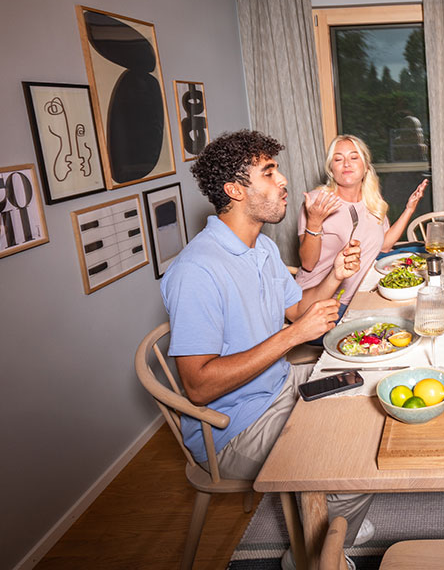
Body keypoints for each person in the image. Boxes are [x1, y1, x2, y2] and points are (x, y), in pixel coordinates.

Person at [160, 130, 373, 568]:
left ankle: (335, 524)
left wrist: (334, 275)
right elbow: (198, 388)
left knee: (369, 401)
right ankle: (311, 556)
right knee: (356, 465)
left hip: (278, 385)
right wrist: (293, 338)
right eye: (269, 173)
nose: (283, 182)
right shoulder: (197, 271)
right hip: (231, 426)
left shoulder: (261, 247)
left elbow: (299, 311)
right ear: (236, 191)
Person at [297, 134, 428, 306]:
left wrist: (409, 209)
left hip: (359, 296)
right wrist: (314, 222)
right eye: (338, 159)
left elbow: (384, 245)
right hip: (321, 301)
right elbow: (308, 263)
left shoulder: (372, 200)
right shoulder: (317, 202)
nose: (346, 164)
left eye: (354, 157)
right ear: (331, 169)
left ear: (365, 166)